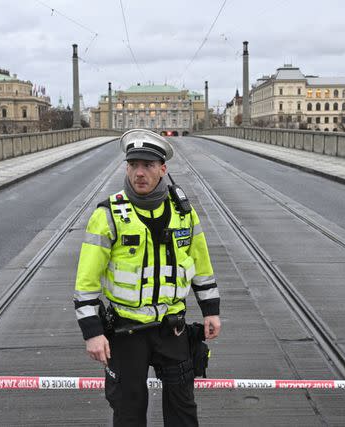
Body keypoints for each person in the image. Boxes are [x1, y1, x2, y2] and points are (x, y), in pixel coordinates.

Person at [74, 129, 221, 426]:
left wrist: (211, 311)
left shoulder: (183, 213)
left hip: (173, 328)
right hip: (126, 332)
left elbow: (201, 265)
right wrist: (92, 332)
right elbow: (86, 282)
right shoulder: (108, 214)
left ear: (163, 169)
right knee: (128, 411)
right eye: (133, 165)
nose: (139, 172)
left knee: (183, 411)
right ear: (126, 167)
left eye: (148, 165)